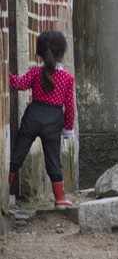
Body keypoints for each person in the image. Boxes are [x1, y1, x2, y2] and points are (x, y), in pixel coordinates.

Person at [7, 30, 75, 209]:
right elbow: (69, 107)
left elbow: (18, 84)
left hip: (33, 116)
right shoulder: (67, 78)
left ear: (39, 53)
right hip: (53, 121)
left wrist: (4, 74)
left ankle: (3, 191)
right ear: (62, 52)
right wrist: (68, 129)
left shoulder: (36, 73)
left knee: (17, 154)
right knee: (53, 160)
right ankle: (60, 199)